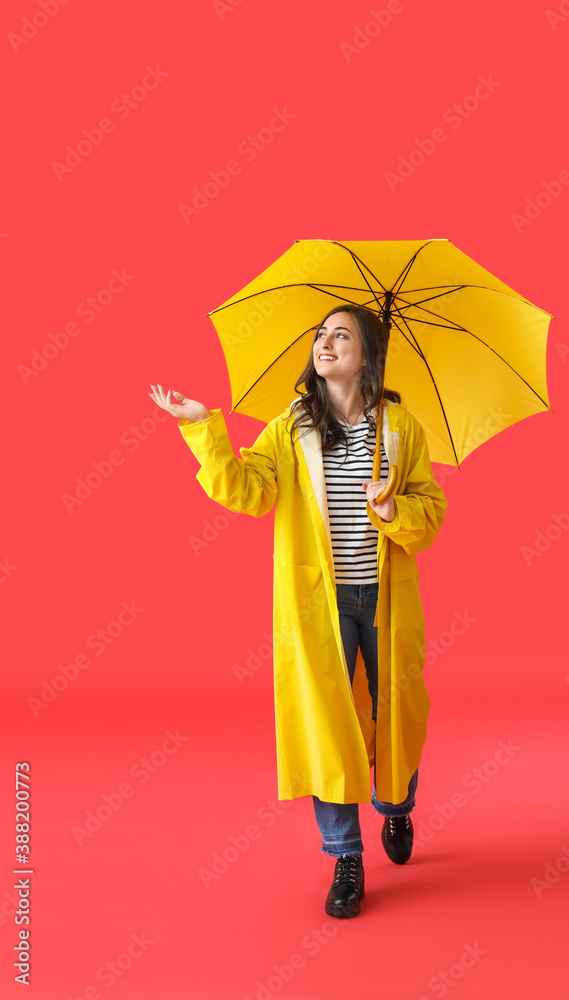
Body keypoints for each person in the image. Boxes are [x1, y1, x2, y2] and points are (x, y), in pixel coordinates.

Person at [148, 303, 447, 919]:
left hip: (385, 599)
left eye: (341, 334)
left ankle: (396, 806)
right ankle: (346, 856)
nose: (325, 342)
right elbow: (248, 489)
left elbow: (431, 511)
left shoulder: (402, 429)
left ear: (368, 353)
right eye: (319, 334)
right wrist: (204, 426)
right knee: (325, 724)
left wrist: (392, 511)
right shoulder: (291, 428)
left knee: (396, 710)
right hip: (320, 603)